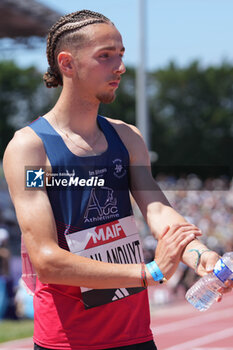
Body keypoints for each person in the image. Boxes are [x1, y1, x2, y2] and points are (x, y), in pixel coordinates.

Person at [3, 10, 232, 350]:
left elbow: (156, 210)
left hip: (135, 335)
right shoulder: (32, 151)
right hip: (69, 342)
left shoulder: (127, 139)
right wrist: (149, 273)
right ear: (67, 64)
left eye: (121, 55)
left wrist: (200, 256)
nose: (120, 67)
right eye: (105, 56)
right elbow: (47, 259)